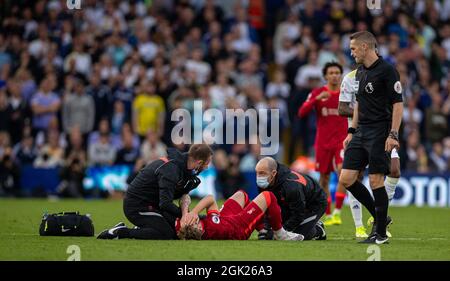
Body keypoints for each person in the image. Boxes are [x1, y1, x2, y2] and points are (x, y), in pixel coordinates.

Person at [338, 31, 403, 244]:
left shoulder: (387, 71)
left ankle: (381, 234)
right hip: (361, 131)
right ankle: (381, 218)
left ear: (366, 47)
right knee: (346, 179)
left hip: (379, 131)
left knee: (376, 180)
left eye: (354, 48)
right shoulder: (359, 72)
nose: (351, 52)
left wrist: (393, 134)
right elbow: (358, 105)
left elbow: (398, 104)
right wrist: (351, 131)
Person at [97, 144, 213, 240]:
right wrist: (186, 216)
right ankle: (121, 232)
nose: (207, 167)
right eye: (207, 163)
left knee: (176, 231)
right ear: (199, 162)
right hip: (136, 206)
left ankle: (143, 228)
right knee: (167, 234)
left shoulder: (186, 169)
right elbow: (165, 203)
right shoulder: (171, 170)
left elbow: (184, 196)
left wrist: (188, 215)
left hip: (153, 205)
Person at [298, 62, 348, 226]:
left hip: (341, 141)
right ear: (325, 76)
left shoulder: (346, 94)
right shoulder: (317, 93)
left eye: (337, 72)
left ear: (340, 75)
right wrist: (316, 100)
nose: (334, 75)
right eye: (331, 73)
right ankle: (326, 213)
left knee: (343, 173)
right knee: (324, 178)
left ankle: (338, 212)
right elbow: (302, 112)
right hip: (323, 142)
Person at [176, 190, 303, 241]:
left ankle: (263, 230)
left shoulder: (205, 224)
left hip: (226, 220)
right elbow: (209, 198)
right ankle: (279, 233)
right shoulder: (208, 228)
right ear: (191, 225)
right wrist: (192, 212)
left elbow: (186, 198)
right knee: (268, 196)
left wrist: (186, 213)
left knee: (241, 195)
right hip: (239, 227)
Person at [255, 157, 327, 241]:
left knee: (298, 234)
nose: (258, 177)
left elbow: (299, 214)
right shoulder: (266, 183)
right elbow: (269, 207)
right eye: (257, 173)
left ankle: (318, 230)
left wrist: (282, 231)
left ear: (273, 173)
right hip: (291, 202)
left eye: (262, 173)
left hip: (314, 203)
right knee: (275, 231)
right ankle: (308, 223)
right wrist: (267, 228)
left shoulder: (291, 186)